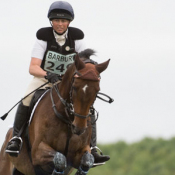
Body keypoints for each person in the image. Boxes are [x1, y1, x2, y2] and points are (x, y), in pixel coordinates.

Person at [5, 1, 110, 164]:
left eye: (63, 21)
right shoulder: (43, 38)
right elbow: (33, 67)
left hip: (68, 82)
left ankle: (93, 148)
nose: (60, 24)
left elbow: (84, 63)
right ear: (51, 22)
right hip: (44, 78)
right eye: (56, 20)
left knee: (86, 105)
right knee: (27, 97)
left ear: (69, 22)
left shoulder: (77, 38)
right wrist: (48, 74)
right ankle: (16, 138)